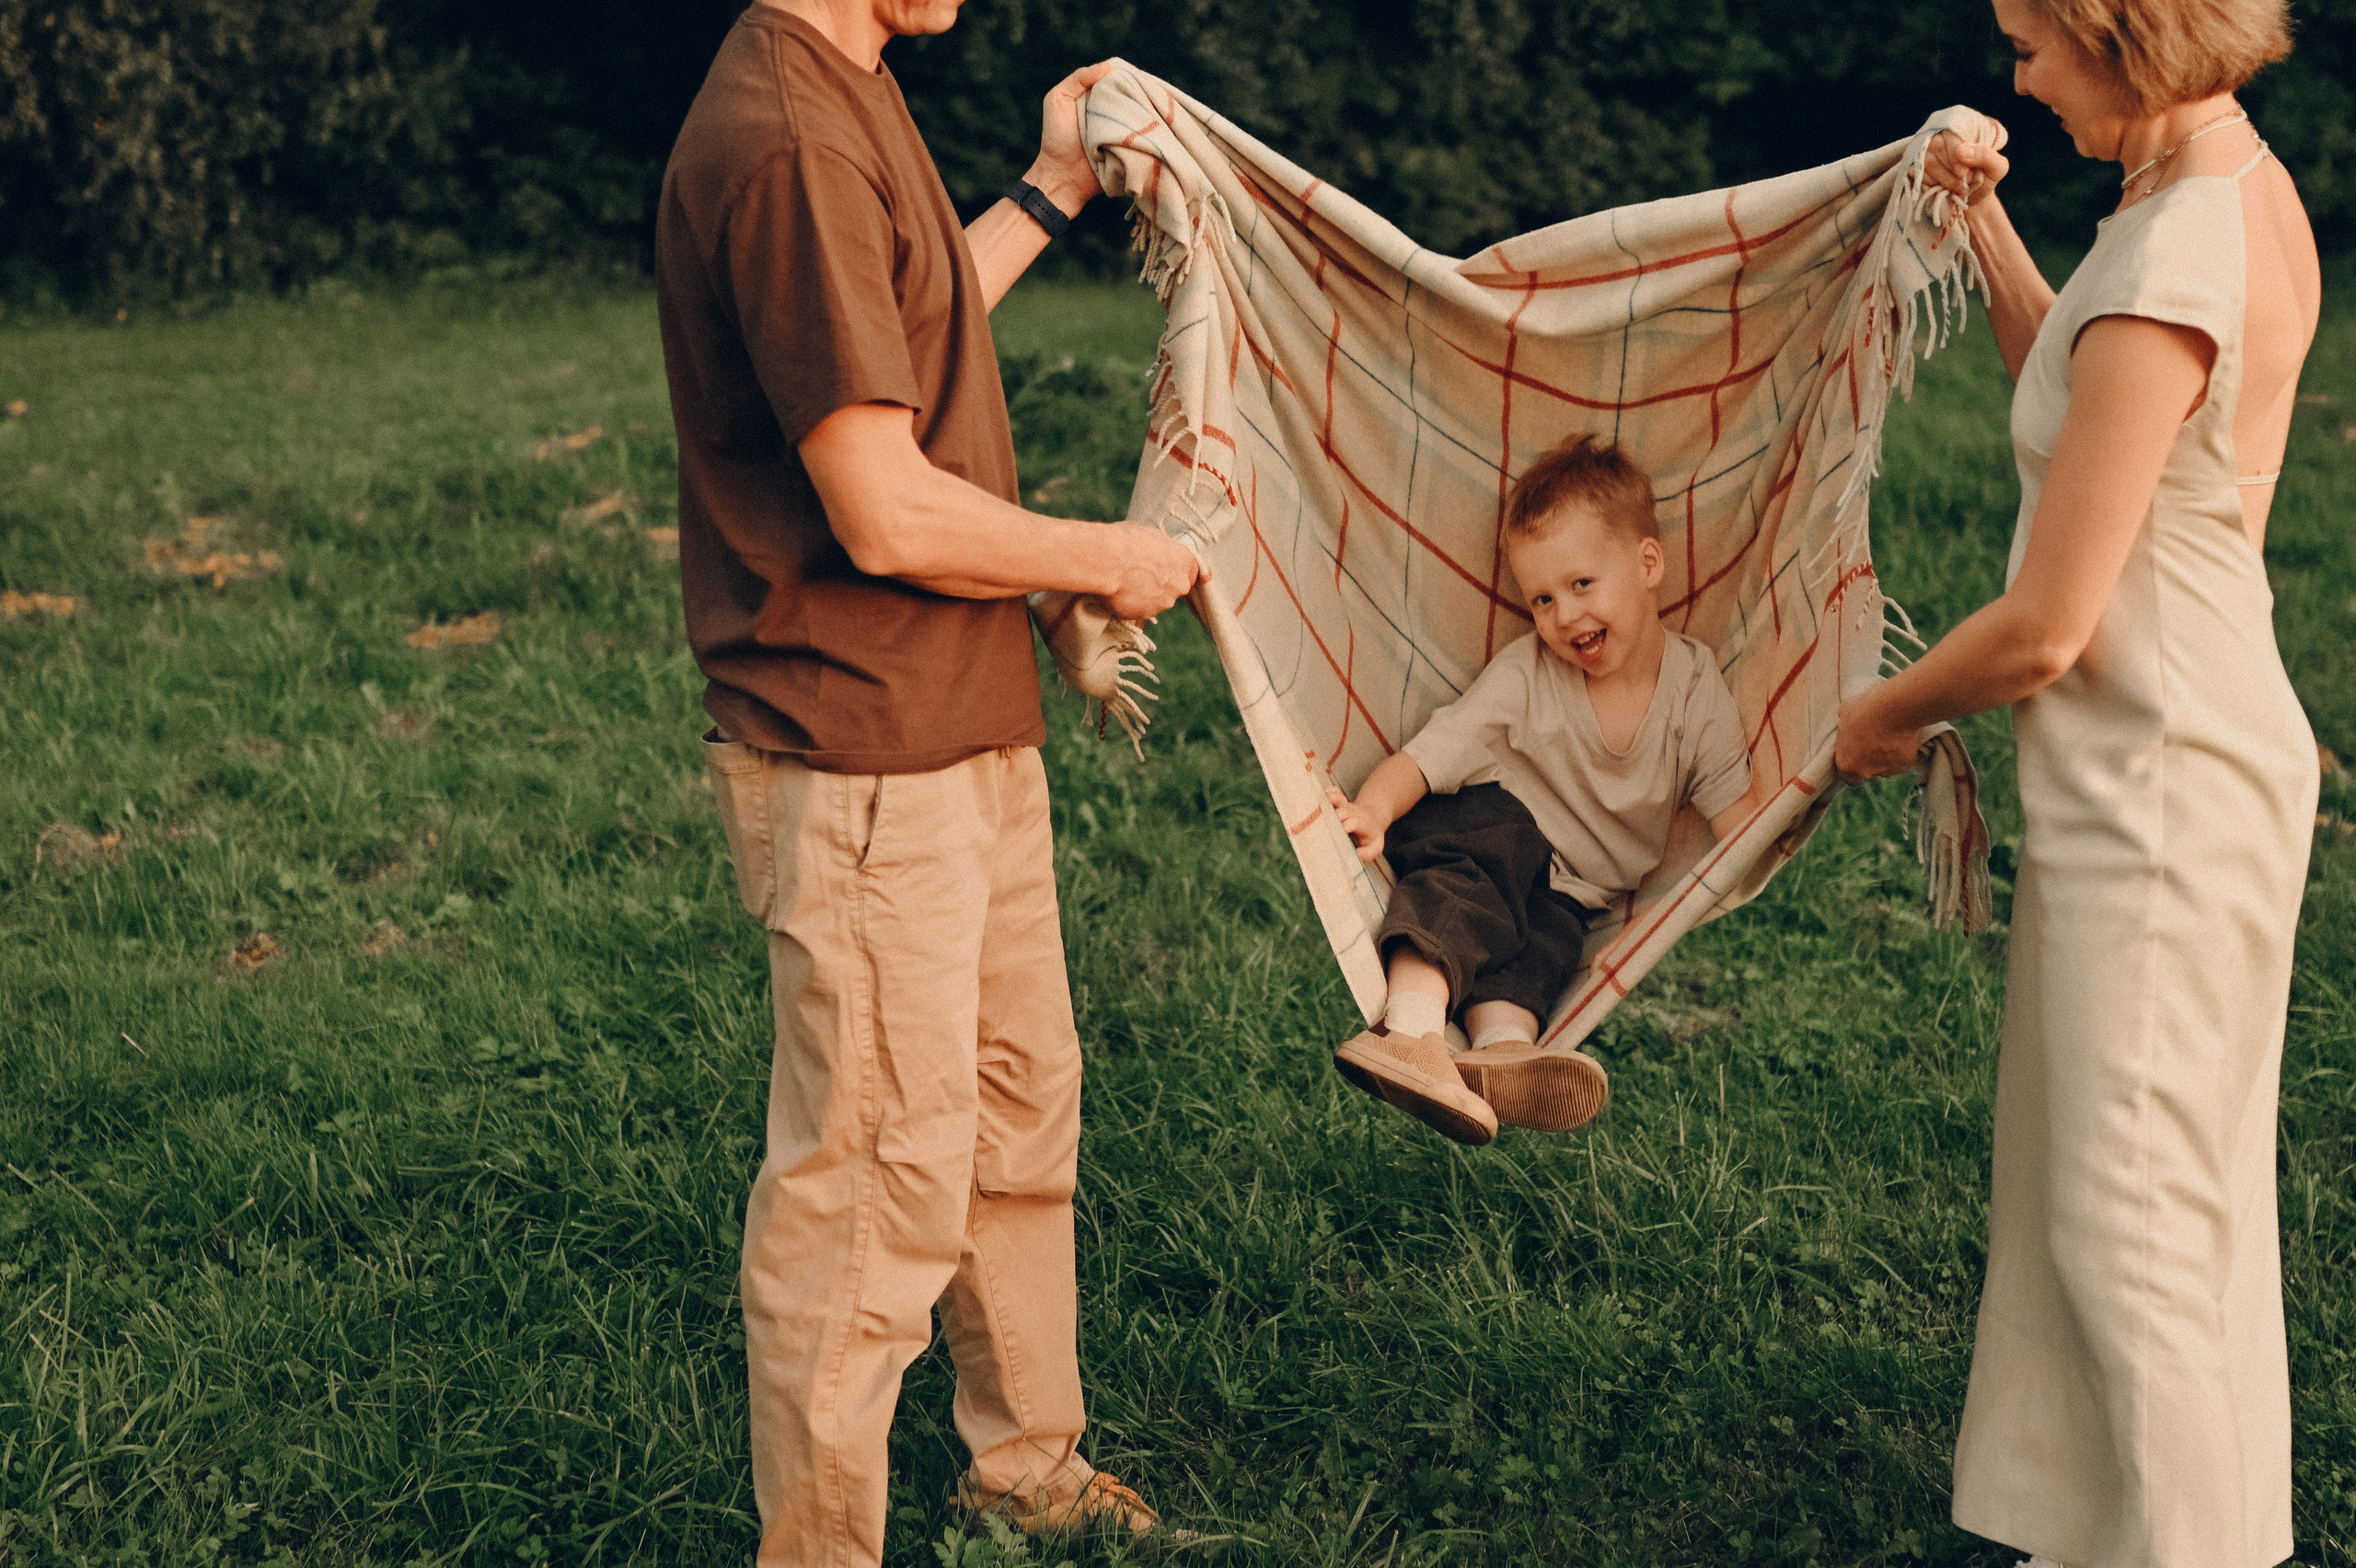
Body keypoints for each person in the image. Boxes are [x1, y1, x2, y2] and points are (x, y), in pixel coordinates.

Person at [653, 2, 1207, 1562]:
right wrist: (1102, 557)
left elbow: (892, 321)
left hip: (958, 718)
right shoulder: (786, 143)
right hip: (864, 759)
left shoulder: (852, 79)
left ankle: (1027, 1465)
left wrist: (1051, 185)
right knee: (871, 1198)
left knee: (1016, 1118)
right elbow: (885, 509)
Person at [1835, 0, 2322, 1560]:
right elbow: (2082, 393)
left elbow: (2045, 625)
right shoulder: (2215, 185)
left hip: (2166, 785)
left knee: (2130, 1228)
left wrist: (1875, 717)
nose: (2022, 78)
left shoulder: (2179, 255)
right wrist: (1985, 231)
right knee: (2155, 1196)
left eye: (2039, 44)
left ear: (2128, 34)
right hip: (2167, 753)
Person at [1325, 436, 1764, 1145]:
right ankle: (1406, 1033)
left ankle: (1500, 1054)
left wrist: (1799, 802)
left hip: (1575, 889)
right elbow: (1432, 753)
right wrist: (1374, 809)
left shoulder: (1695, 691)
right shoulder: (1527, 675)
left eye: (1582, 584)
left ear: (1648, 565)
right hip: (1488, 825)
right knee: (1468, 895)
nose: (1564, 615)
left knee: (1543, 954)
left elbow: (1740, 817)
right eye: (1542, 598)